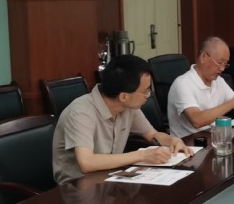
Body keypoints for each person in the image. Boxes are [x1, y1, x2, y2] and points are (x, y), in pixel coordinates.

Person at [53, 55, 193, 185]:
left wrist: (173, 141)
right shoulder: (81, 112)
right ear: (124, 96)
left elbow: (152, 135)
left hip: (111, 179)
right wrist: (142, 155)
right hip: (77, 187)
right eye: (146, 91)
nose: (148, 95)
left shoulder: (128, 107)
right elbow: (87, 163)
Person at [167, 36, 234, 138]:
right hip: (188, 144)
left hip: (214, 139)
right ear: (203, 57)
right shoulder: (183, 84)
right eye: (219, 63)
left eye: (225, 64)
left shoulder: (218, 81)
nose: (222, 69)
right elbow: (197, 120)